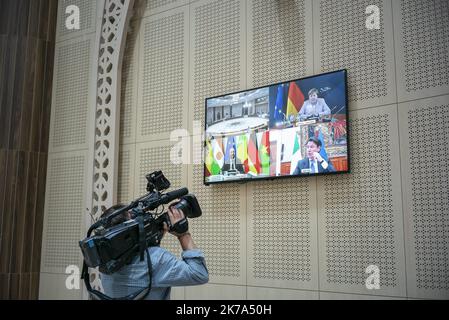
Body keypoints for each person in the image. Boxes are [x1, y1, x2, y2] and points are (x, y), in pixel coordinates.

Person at [99, 203, 209, 300]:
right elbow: (199, 274)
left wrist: (156, 233)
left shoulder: (105, 262)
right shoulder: (156, 259)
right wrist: (183, 234)